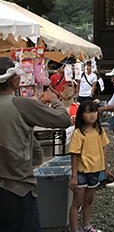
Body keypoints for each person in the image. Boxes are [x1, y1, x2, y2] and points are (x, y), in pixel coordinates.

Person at [0, 57, 72, 232]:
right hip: (18, 187)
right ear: (12, 79)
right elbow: (64, 119)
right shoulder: (21, 104)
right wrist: (54, 99)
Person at [69, 102, 110, 232]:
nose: (92, 115)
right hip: (81, 171)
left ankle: (86, 225)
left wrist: (106, 167)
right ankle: (74, 229)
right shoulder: (78, 133)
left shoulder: (99, 131)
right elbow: (74, 156)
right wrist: (74, 177)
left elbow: (103, 149)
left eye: (94, 111)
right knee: (77, 202)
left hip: (95, 170)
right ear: (81, 115)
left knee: (89, 200)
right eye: (88, 112)